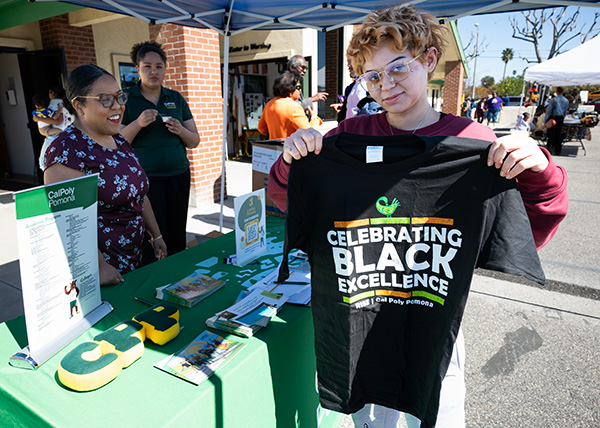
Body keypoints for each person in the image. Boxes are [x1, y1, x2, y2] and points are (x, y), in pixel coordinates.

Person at [269, 4, 568, 427]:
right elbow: (286, 197)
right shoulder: (345, 139)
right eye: (372, 77)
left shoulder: (473, 143)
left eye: (398, 68)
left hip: (432, 328)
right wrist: (292, 159)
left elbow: (527, 231)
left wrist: (540, 172)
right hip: (359, 326)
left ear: (428, 59)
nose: (385, 85)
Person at [44, 64, 167, 286]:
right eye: (105, 99)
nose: (118, 107)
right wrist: (100, 267)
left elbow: (138, 194)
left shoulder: (118, 140)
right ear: (78, 106)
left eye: (119, 97)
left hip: (134, 257)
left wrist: (155, 235)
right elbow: (69, 221)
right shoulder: (65, 150)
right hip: (101, 271)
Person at [121, 41, 200, 262]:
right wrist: (138, 123)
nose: (154, 71)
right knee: (151, 235)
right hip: (145, 180)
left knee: (176, 230)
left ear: (165, 68)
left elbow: (194, 141)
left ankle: (177, 271)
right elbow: (117, 142)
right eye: (147, 66)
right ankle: (154, 274)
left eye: (159, 66)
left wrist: (180, 130)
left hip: (178, 175)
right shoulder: (126, 99)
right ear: (137, 69)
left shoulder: (175, 98)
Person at [258, 71, 322, 139]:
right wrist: (315, 119)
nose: (300, 90)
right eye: (298, 87)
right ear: (290, 90)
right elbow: (308, 133)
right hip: (291, 148)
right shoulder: (294, 107)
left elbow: (261, 128)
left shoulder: (269, 104)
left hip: (274, 147)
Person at [33, 86, 74, 170]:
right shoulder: (65, 103)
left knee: (43, 162)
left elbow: (57, 120)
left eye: (49, 92)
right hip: (69, 132)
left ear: (53, 93)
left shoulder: (54, 104)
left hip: (55, 135)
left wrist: (39, 119)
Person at [545, 86, 569, 155]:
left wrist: (545, 120)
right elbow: (565, 111)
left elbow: (549, 111)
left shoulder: (553, 100)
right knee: (558, 134)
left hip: (553, 117)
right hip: (560, 118)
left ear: (556, 91)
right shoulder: (566, 100)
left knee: (551, 134)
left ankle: (550, 150)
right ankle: (557, 150)